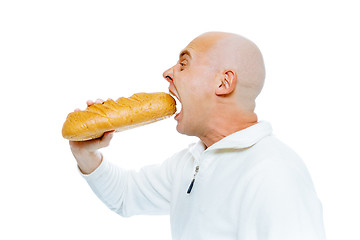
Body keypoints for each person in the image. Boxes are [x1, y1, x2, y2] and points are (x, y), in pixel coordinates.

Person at [69, 32, 326, 240]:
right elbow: (126, 196)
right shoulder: (193, 161)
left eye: (184, 63)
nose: (167, 72)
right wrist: (85, 154)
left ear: (223, 83)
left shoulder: (274, 175)